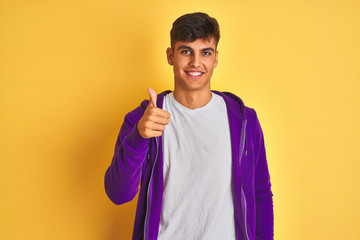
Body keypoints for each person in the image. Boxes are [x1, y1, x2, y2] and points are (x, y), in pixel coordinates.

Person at [104, 12, 273, 240]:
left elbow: (260, 194)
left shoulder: (244, 121)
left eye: (205, 52)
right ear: (170, 56)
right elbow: (118, 193)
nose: (195, 62)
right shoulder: (143, 119)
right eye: (186, 51)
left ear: (215, 58)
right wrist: (138, 138)